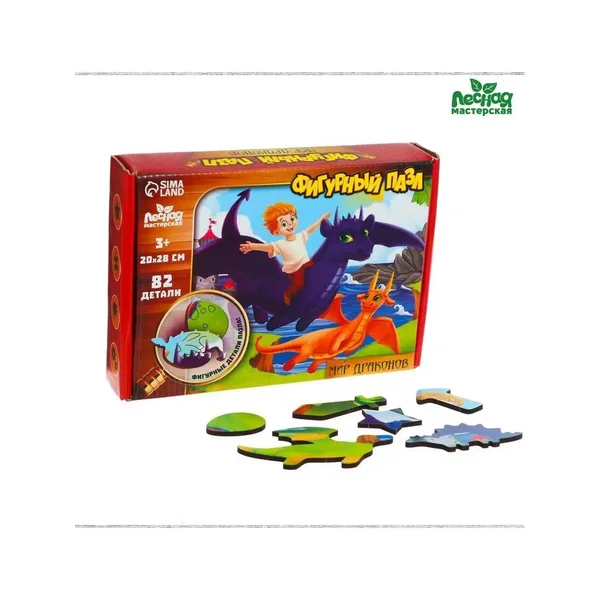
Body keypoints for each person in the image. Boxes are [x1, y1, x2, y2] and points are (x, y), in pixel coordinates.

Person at [240, 202, 330, 304]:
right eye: (284, 224)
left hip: (306, 264)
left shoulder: (300, 236)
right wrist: (252, 246)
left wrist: (321, 220)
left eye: (292, 218)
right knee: (299, 284)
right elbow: (267, 247)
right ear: (276, 232)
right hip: (294, 270)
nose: (290, 224)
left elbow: (310, 229)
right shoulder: (281, 244)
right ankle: (288, 293)